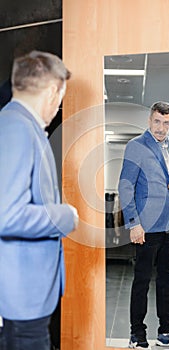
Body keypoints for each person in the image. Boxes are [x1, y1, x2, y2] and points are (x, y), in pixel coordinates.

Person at [0, 50, 79, 350]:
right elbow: (7, 215)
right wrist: (65, 215)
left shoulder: (22, 125)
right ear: (51, 91)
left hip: (29, 293)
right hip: (23, 296)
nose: (59, 106)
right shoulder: (16, 128)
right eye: (61, 96)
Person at [118, 101, 169, 349]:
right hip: (146, 227)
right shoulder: (136, 146)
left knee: (166, 280)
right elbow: (126, 186)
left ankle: (167, 331)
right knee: (142, 281)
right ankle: (137, 335)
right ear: (149, 120)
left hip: (168, 226)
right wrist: (134, 223)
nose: (161, 128)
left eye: (166, 123)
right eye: (157, 121)